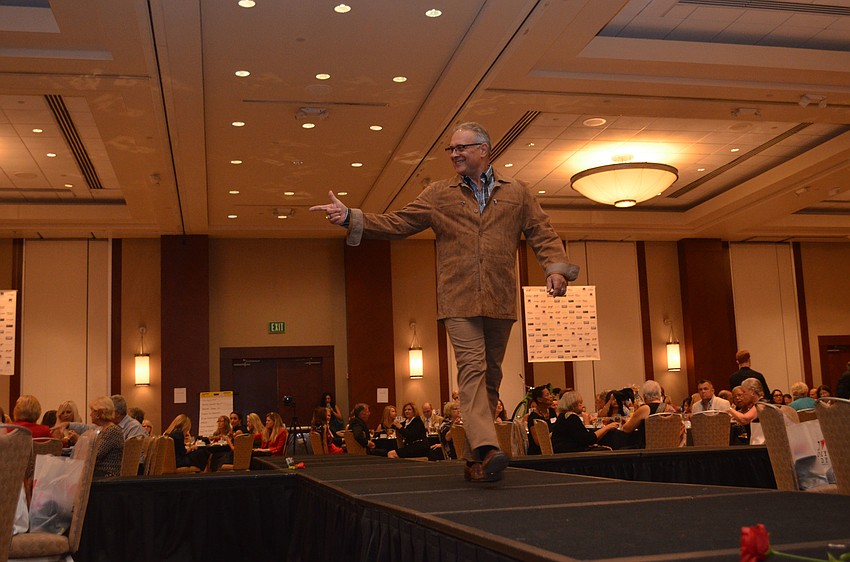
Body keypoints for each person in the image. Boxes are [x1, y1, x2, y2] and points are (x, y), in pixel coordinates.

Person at [310, 121, 578, 483]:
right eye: (451, 149)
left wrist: (555, 269)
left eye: (461, 148)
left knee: (490, 380)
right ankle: (487, 448)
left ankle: (474, 462)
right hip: (458, 299)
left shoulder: (518, 193)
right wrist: (351, 218)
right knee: (472, 370)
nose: (454, 154)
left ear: (484, 149)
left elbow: (542, 233)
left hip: (500, 299)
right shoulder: (439, 194)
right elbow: (398, 223)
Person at [551, 391, 620, 453]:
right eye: (580, 403)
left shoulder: (563, 416)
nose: (583, 405)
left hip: (564, 450)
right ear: (573, 405)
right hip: (570, 452)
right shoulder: (571, 417)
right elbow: (589, 439)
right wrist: (607, 427)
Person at [620, 380, 669, 449]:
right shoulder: (669, 408)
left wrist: (628, 420)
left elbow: (626, 429)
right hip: (668, 449)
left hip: (646, 449)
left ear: (645, 396)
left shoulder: (645, 409)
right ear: (660, 394)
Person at [88, 396, 124, 478]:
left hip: (107, 474)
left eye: (92, 411)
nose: (90, 415)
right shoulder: (102, 429)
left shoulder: (112, 431)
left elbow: (95, 454)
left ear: (98, 413)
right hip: (100, 472)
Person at [727, 378, 763, 443]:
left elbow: (744, 419)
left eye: (744, 392)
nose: (743, 395)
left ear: (752, 392)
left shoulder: (762, 404)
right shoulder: (759, 404)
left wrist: (728, 408)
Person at [526, 385, 556, 455]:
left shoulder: (552, 411)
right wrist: (552, 434)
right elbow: (538, 441)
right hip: (538, 452)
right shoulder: (533, 417)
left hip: (553, 446)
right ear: (539, 399)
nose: (551, 397)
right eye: (547, 395)